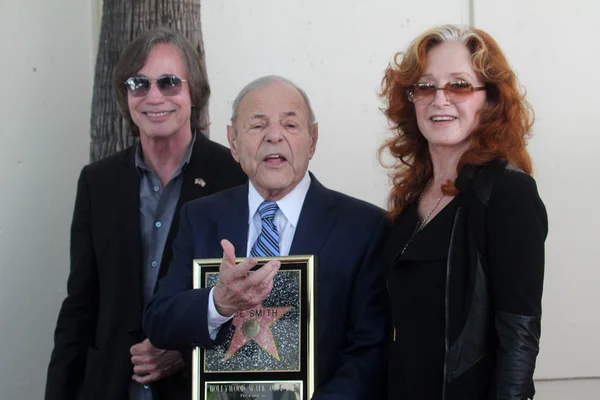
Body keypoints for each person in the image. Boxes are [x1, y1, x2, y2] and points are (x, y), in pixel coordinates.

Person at [142, 75, 389, 399]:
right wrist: (218, 303)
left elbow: (370, 350)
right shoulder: (200, 217)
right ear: (233, 141)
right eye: (257, 126)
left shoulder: (363, 227)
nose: (274, 136)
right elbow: (159, 321)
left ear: (312, 139)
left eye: (290, 125)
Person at [45, 27, 247, 400]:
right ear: (126, 96)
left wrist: (183, 351)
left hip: (194, 388)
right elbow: (81, 305)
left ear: (193, 91)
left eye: (169, 82)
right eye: (139, 84)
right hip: (109, 387)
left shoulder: (234, 177)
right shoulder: (97, 182)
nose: (154, 97)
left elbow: (254, 301)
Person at [379, 24, 548, 399]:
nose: (440, 100)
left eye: (458, 85)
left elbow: (519, 342)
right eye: (425, 86)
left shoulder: (508, 194)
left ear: (489, 100)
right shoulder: (412, 199)